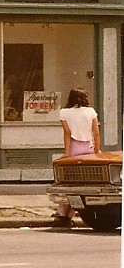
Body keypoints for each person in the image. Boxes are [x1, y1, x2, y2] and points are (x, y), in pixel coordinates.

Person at [54, 87, 101, 227]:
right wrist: (97, 150)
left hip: (74, 148)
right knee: (86, 182)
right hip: (88, 148)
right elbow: (96, 133)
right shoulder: (91, 112)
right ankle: (76, 211)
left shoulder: (64, 113)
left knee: (69, 182)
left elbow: (67, 134)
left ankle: (63, 212)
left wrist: (67, 153)